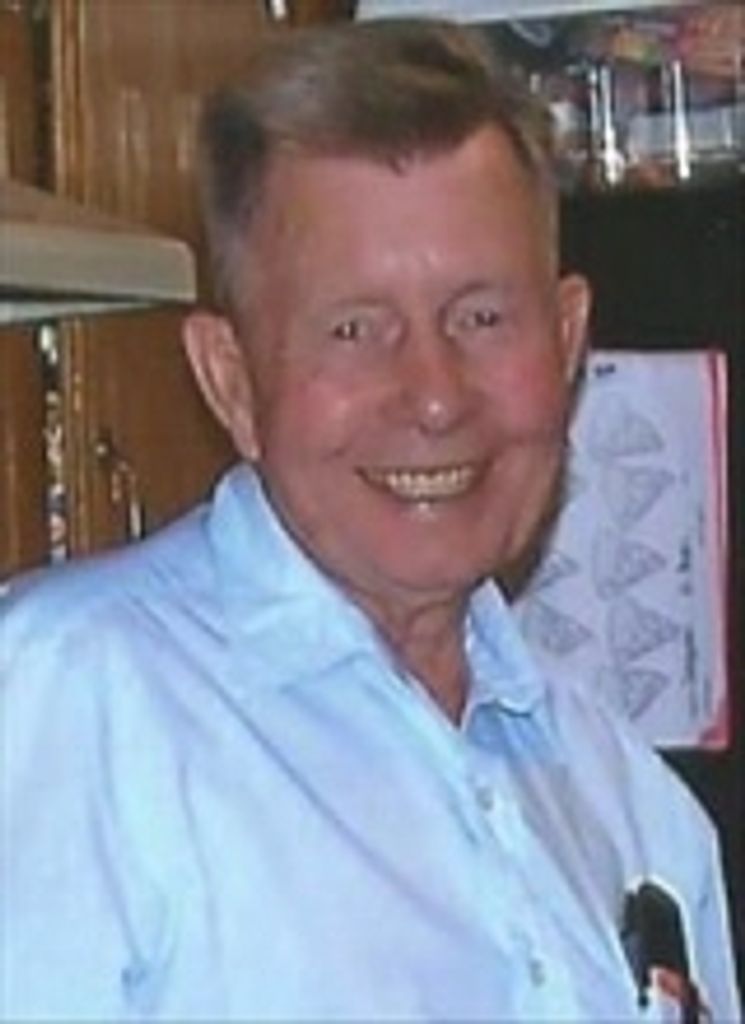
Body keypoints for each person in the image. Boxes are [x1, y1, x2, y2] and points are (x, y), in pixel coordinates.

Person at [1, 18, 739, 1023]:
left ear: (568, 341)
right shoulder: (69, 703)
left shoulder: (628, 804)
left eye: (481, 318)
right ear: (230, 380)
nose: (434, 396)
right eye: (354, 329)